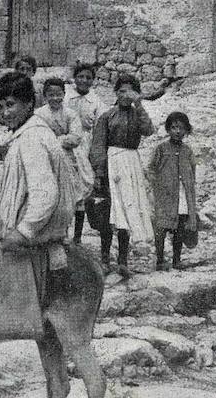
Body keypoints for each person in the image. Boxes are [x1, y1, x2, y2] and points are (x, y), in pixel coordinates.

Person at [0, 71, 77, 275]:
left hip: (32, 240)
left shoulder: (32, 138)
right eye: (0, 107)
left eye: (10, 104)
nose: (5, 113)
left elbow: (45, 193)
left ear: (29, 104)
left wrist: (24, 231)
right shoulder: (29, 133)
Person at [89, 71, 154, 276]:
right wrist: (99, 172)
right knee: (109, 211)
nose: (126, 95)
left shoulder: (137, 114)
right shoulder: (107, 116)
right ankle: (105, 258)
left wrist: (140, 105)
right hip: (112, 162)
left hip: (131, 162)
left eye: (131, 92)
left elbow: (148, 130)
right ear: (116, 93)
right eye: (122, 91)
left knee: (128, 208)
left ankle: (123, 260)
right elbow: (98, 145)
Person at [36, 76, 95, 217]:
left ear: (64, 94)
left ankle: (77, 235)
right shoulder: (39, 114)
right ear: (45, 96)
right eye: (51, 95)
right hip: (46, 157)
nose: (55, 98)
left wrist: (55, 140)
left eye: (58, 94)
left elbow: (76, 137)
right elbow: (37, 135)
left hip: (69, 157)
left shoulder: (71, 114)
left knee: (75, 194)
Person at [148, 110, 198, 271]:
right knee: (161, 227)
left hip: (182, 194)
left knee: (180, 227)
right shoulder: (161, 148)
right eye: (174, 127)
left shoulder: (188, 151)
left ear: (186, 130)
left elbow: (192, 171)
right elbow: (151, 169)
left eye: (182, 128)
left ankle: (177, 260)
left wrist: (189, 187)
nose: (178, 131)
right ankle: (160, 260)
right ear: (168, 129)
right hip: (165, 195)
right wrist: (158, 185)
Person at [65, 62, 106, 243]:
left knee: (83, 190)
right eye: (80, 76)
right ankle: (63, 233)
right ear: (75, 78)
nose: (84, 80)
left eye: (88, 78)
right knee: (66, 189)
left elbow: (98, 128)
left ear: (92, 81)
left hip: (85, 146)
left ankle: (78, 237)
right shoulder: (65, 96)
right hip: (66, 144)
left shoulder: (96, 101)